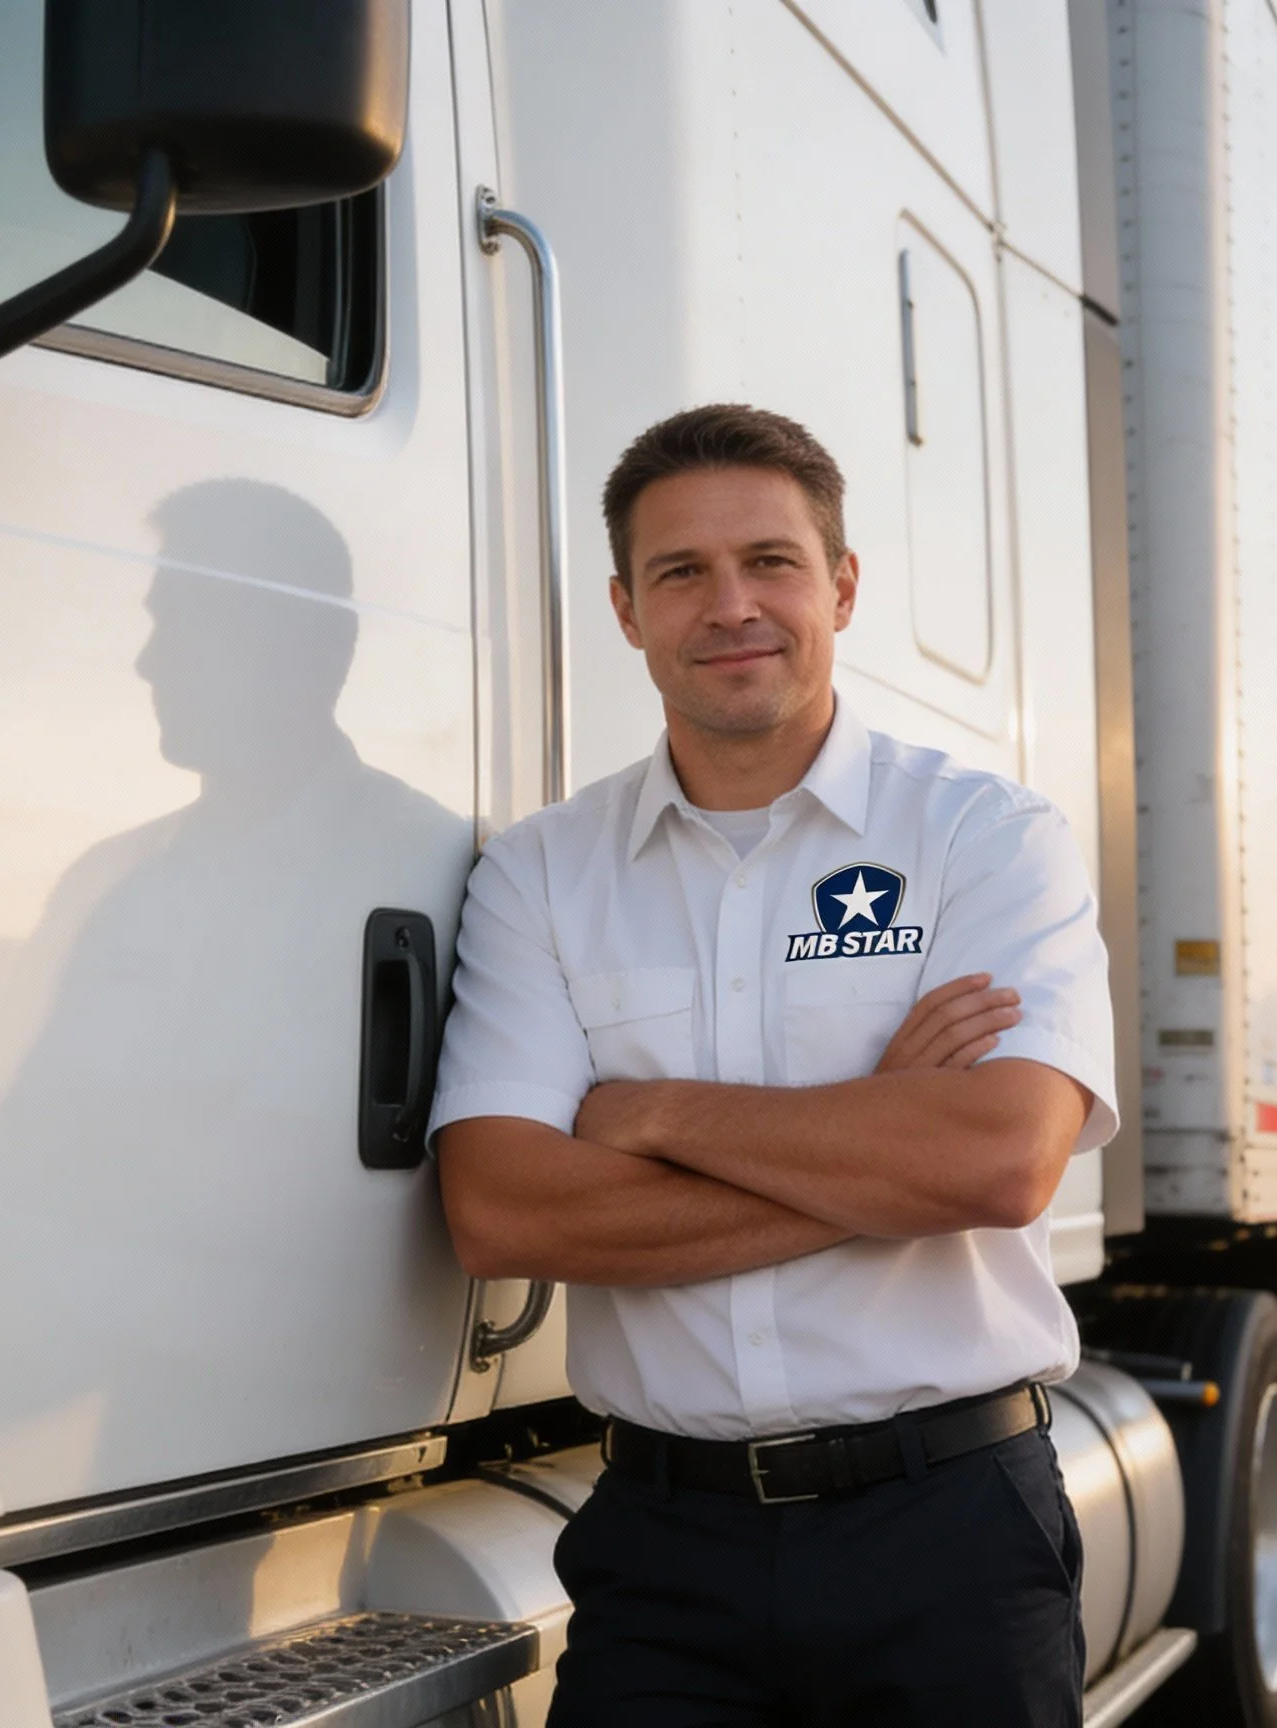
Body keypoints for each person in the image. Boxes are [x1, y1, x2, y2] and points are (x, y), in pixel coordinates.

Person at [430, 405, 1118, 1726]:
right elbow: (503, 1209)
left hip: (952, 1532)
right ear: (628, 611)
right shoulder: (542, 874)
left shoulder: (984, 837)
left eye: (772, 562)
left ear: (842, 587)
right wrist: (876, 1139)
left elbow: (1000, 1160)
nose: (730, 605)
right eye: (681, 573)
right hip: (661, 1549)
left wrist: (648, 1114)